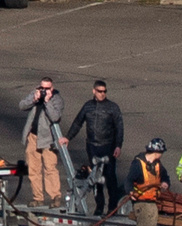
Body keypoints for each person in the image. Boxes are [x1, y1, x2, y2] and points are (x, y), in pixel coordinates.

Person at [58, 79, 124, 215]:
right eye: (100, 91)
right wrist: (68, 137)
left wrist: (118, 146)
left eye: (104, 91)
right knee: (95, 178)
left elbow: (119, 128)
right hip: (93, 147)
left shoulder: (113, 107)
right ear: (94, 91)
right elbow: (78, 122)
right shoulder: (88, 106)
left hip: (108, 147)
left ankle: (113, 208)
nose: (102, 94)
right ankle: (99, 207)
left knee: (110, 178)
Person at [19, 77, 64, 206]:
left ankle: (55, 197)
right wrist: (34, 99)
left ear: (52, 88)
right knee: (33, 169)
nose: (44, 91)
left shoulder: (57, 100)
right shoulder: (36, 95)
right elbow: (21, 105)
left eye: (47, 88)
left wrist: (47, 101)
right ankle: (38, 198)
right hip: (33, 136)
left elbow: (55, 117)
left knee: (50, 168)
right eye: (42, 88)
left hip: (48, 138)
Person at [127, 138, 170, 226]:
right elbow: (128, 180)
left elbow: (165, 176)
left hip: (152, 203)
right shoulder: (138, 164)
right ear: (157, 151)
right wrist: (130, 192)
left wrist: (165, 183)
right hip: (142, 203)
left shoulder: (158, 164)